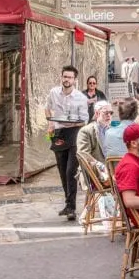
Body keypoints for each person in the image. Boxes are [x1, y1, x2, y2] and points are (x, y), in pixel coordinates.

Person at [46, 65, 89, 221]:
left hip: (74, 134)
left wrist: (71, 124)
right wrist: (49, 123)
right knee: (62, 171)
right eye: (65, 77)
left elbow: (84, 120)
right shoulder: (53, 93)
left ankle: (71, 207)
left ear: (75, 80)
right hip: (58, 133)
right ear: (61, 77)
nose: (67, 80)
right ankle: (68, 203)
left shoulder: (81, 98)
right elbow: (47, 109)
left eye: (70, 77)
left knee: (71, 170)